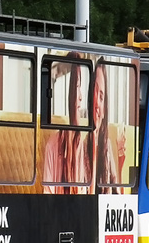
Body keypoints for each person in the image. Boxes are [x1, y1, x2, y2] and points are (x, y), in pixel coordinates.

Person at [42, 61, 88, 192]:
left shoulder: (88, 143)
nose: (80, 97)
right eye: (77, 87)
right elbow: (48, 192)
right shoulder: (54, 144)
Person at [88, 63, 128, 191]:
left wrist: (121, 161)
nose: (97, 105)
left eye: (101, 97)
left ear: (105, 108)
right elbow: (85, 194)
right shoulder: (82, 148)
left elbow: (116, 190)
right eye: (94, 93)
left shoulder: (107, 145)